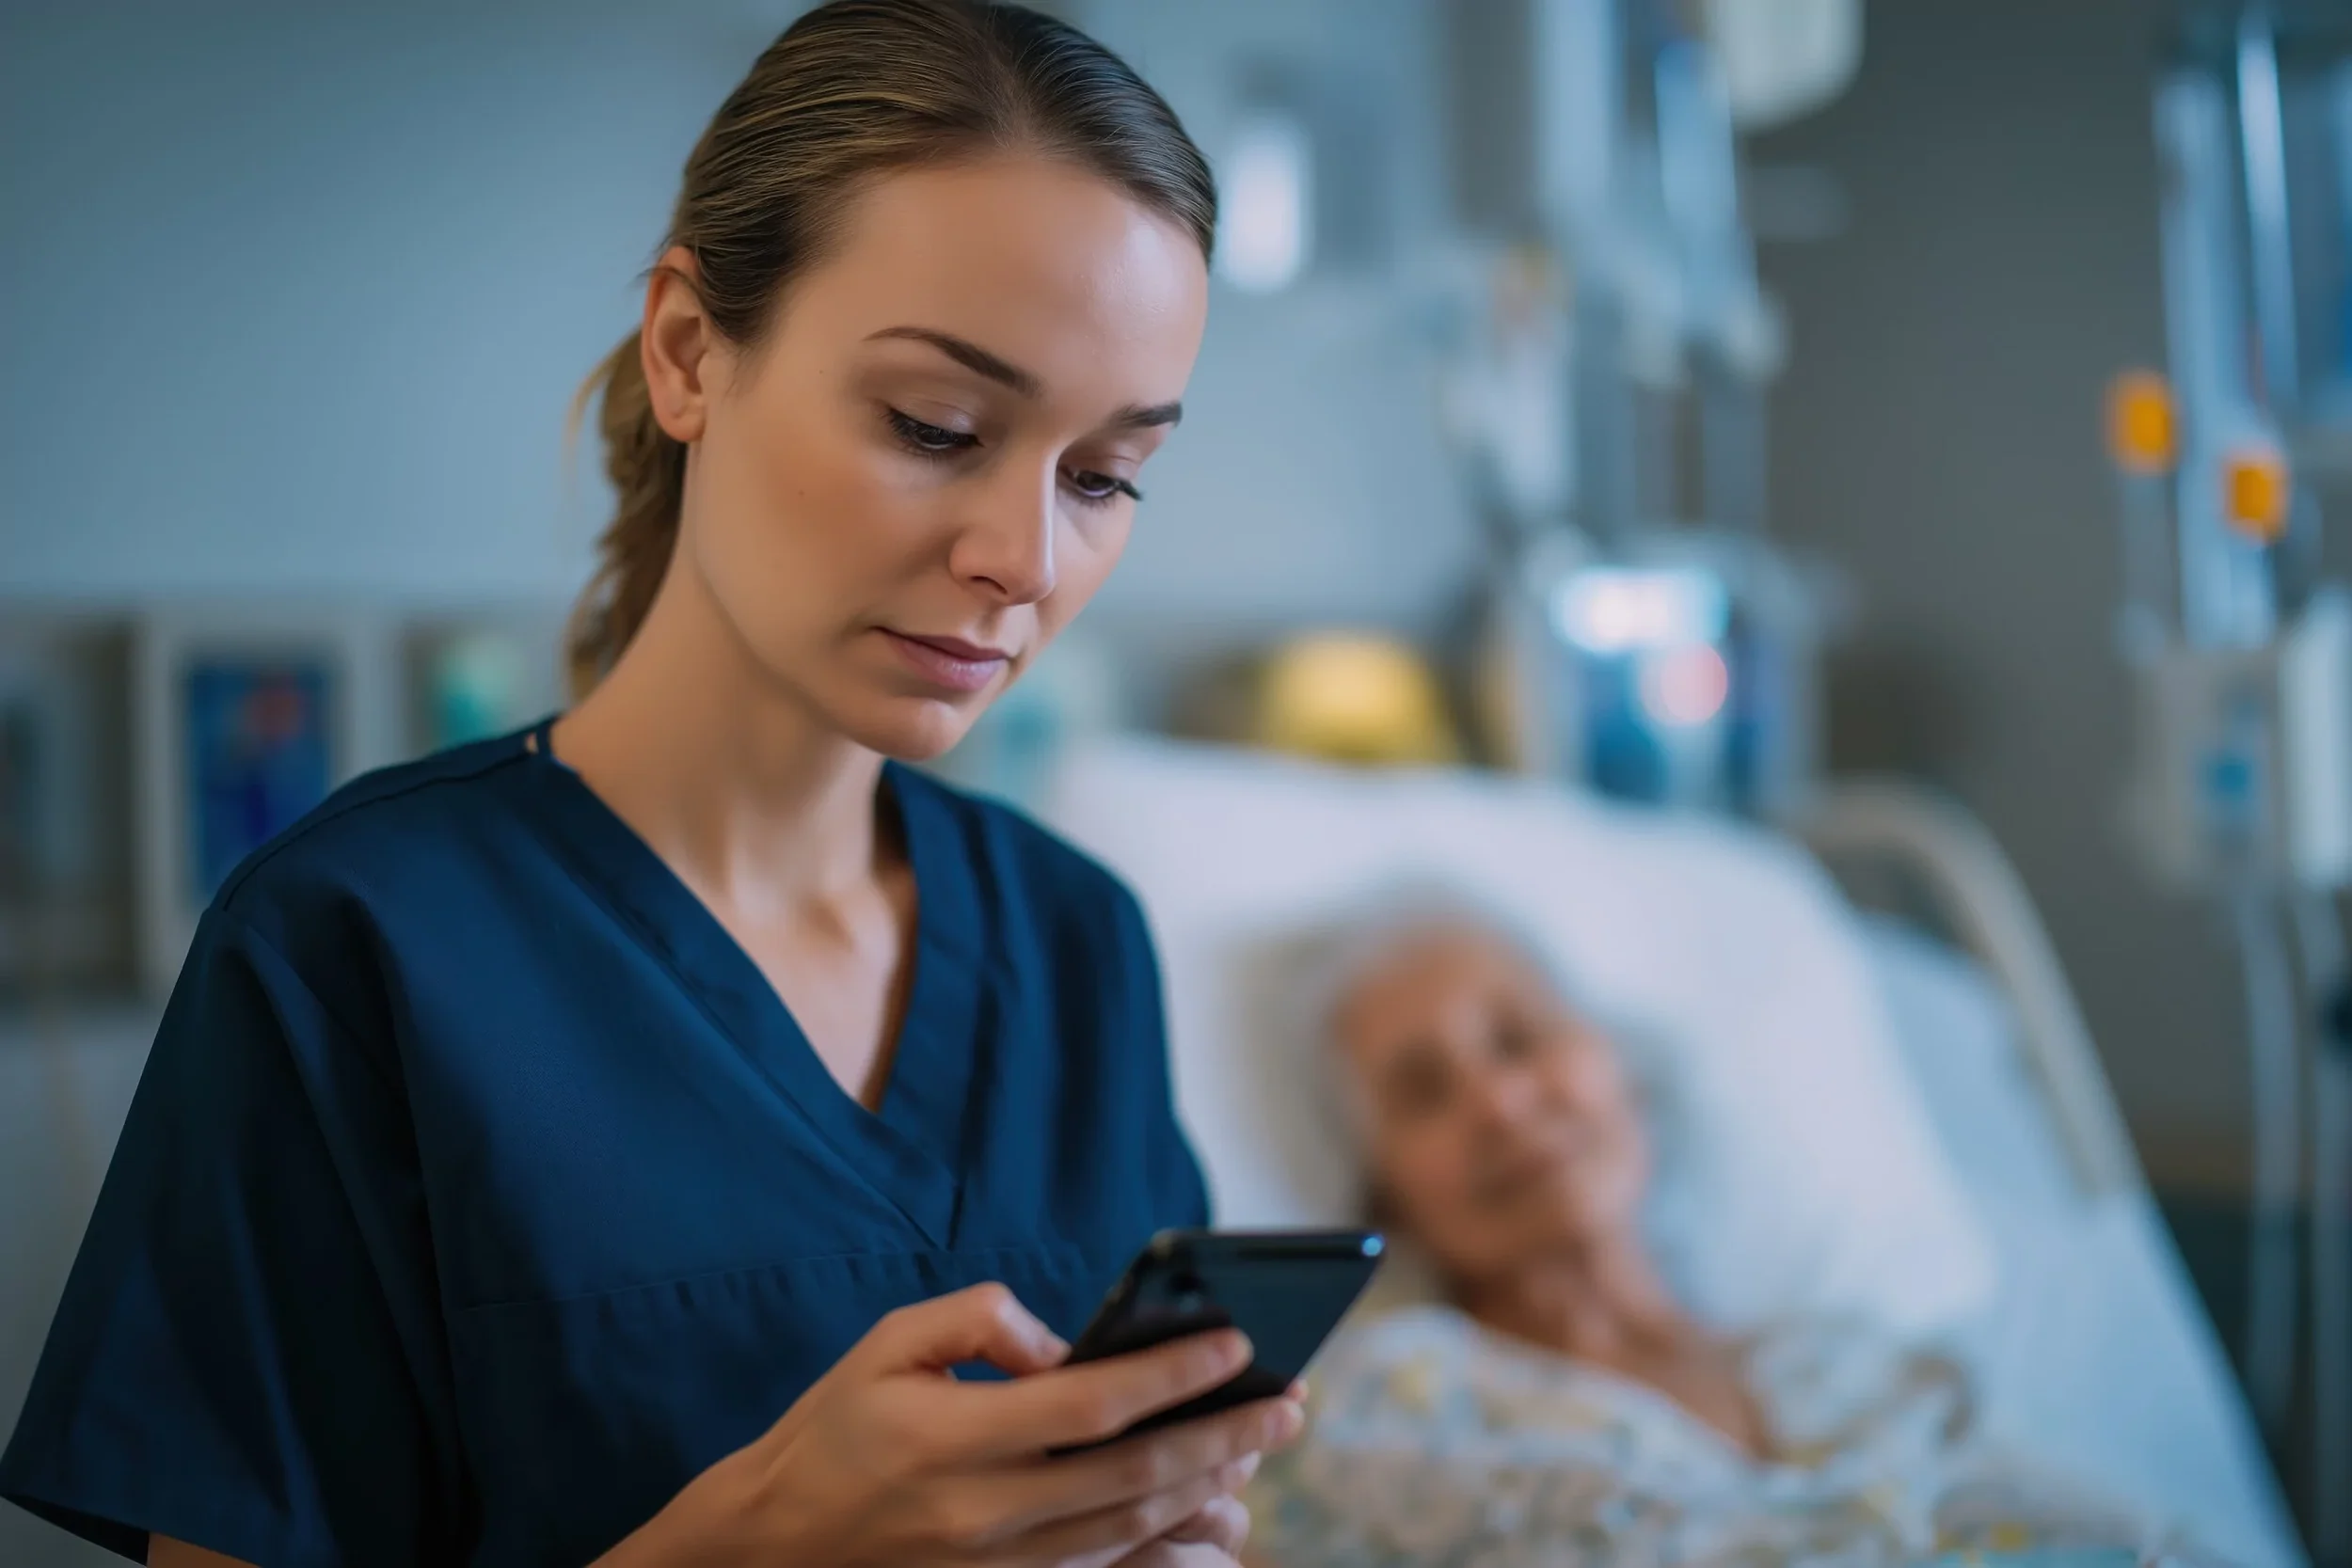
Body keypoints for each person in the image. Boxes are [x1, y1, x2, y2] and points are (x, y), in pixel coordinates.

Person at [0, 3, 1303, 1564]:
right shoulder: (353, 950)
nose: (1023, 560)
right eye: (934, 425)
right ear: (689, 351)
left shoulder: (1079, 942)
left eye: (1103, 478)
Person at [1242, 894, 2220, 1568]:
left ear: (1619, 1064)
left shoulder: (1864, 1366)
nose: (1498, 1101)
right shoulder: (1366, 1402)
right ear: (1384, 1196)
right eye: (1423, 1088)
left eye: (1519, 1035)